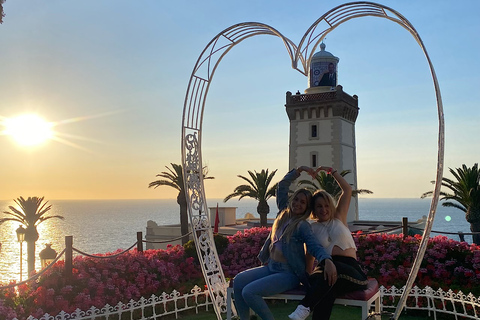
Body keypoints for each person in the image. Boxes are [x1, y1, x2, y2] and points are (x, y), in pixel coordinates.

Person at [233, 166, 337, 320]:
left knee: (249, 292)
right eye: (296, 199)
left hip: (288, 273)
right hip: (271, 267)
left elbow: (314, 246)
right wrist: (298, 171)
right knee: (238, 281)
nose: (298, 204)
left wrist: (326, 260)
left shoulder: (302, 226)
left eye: (303, 202)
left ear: (307, 208)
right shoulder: (283, 213)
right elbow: (282, 186)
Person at [288, 166, 368, 320]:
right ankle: (305, 310)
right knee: (327, 290)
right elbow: (310, 256)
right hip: (324, 271)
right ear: (313, 209)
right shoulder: (310, 227)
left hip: (350, 270)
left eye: (326, 205)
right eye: (319, 206)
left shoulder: (339, 217)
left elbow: (347, 190)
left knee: (328, 272)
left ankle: (304, 307)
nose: (323, 209)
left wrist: (332, 171)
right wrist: (306, 275)